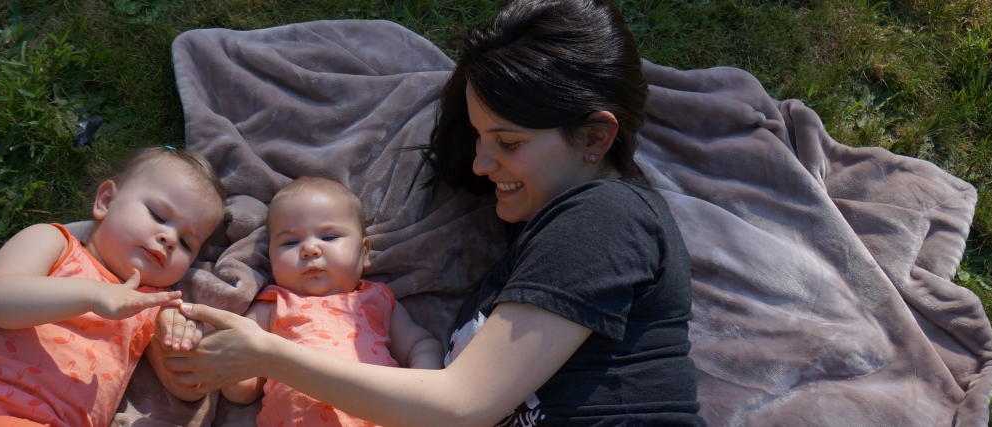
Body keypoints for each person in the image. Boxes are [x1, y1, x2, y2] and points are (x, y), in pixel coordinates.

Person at [156, 1, 706, 426]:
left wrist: (269, 356)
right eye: (480, 136)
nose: (482, 161)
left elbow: (461, 407)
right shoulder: (548, 234)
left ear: (596, 135)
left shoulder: (605, 218)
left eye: (508, 142)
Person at [0, 146, 227, 427]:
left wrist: (179, 343)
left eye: (186, 242)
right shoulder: (55, 244)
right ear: (106, 201)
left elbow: (184, 388)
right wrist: (92, 294)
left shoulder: (150, 305)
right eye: (158, 215)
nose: (169, 238)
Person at [177, 176, 444, 426]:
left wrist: (423, 379)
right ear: (270, 258)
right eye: (291, 242)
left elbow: (420, 343)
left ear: (364, 253)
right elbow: (243, 387)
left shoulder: (377, 299)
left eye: (329, 237)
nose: (310, 249)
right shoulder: (272, 304)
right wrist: (233, 378)